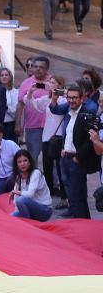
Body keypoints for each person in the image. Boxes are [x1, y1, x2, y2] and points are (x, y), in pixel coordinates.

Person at [50, 84, 100, 218]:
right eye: (69, 98)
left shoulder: (87, 114)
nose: (71, 100)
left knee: (77, 194)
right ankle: (76, 219)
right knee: (71, 192)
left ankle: (82, 223)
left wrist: (78, 157)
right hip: (66, 157)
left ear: (82, 99)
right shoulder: (69, 113)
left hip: (77, 160)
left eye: (75, 98)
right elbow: (69, 135)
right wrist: (63, 149)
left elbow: (91, 140)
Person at [26, 75, 68, 204]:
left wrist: (62, 94)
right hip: (46, 137)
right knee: (47, 167)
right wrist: (30, 93)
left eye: (53, 82)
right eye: (49, 81)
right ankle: (48, 193)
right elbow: (35, 105)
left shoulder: (64, 100)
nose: (50, 84)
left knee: (60, 169)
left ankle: (64, 197)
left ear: (59, 85)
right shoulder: (46, 99)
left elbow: (62, 110)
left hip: (59, 137)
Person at [17, 56, 52, 162]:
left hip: (51, 127)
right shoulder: (26, 83)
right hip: (33, 127)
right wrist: (18, 124)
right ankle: (33, 179)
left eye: (41, 67)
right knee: (32, 159)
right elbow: (20, 104)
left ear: (46, 69)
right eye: (35, 66)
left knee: (51, 160)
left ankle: (50, 179)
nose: (37, 69)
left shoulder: (53, 82)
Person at [9, 149, 54, 221]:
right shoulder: (18, 177)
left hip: (44, 210)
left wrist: (16, 192)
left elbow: (30, 194)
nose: (22, 164)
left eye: (25, 160)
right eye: (19, 162)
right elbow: (16, 201)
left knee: (21, 200)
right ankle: (27, 222)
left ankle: (29, 226)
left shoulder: (36, 173)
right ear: (16, 165)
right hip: (30, 209)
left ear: (30, 162)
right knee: (10, 218)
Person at [0, 68, 18, 141]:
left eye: (6, 75)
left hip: (10, 124)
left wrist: (5, 107)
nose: (4, 77)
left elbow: (15, 110)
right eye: (2, 75)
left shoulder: (15, 92)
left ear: (10, 77)